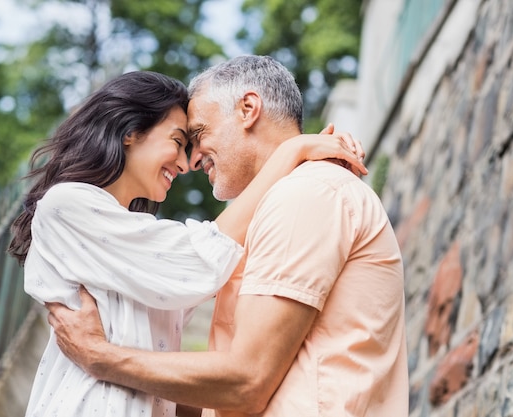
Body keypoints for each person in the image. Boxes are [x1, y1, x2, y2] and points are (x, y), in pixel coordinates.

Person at [46, 55, 408, 417]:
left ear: (248, 109)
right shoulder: (274, 209)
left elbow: (246, 381)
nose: (192, 159)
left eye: (198, 134)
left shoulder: (307, 193)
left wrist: (100, 357)